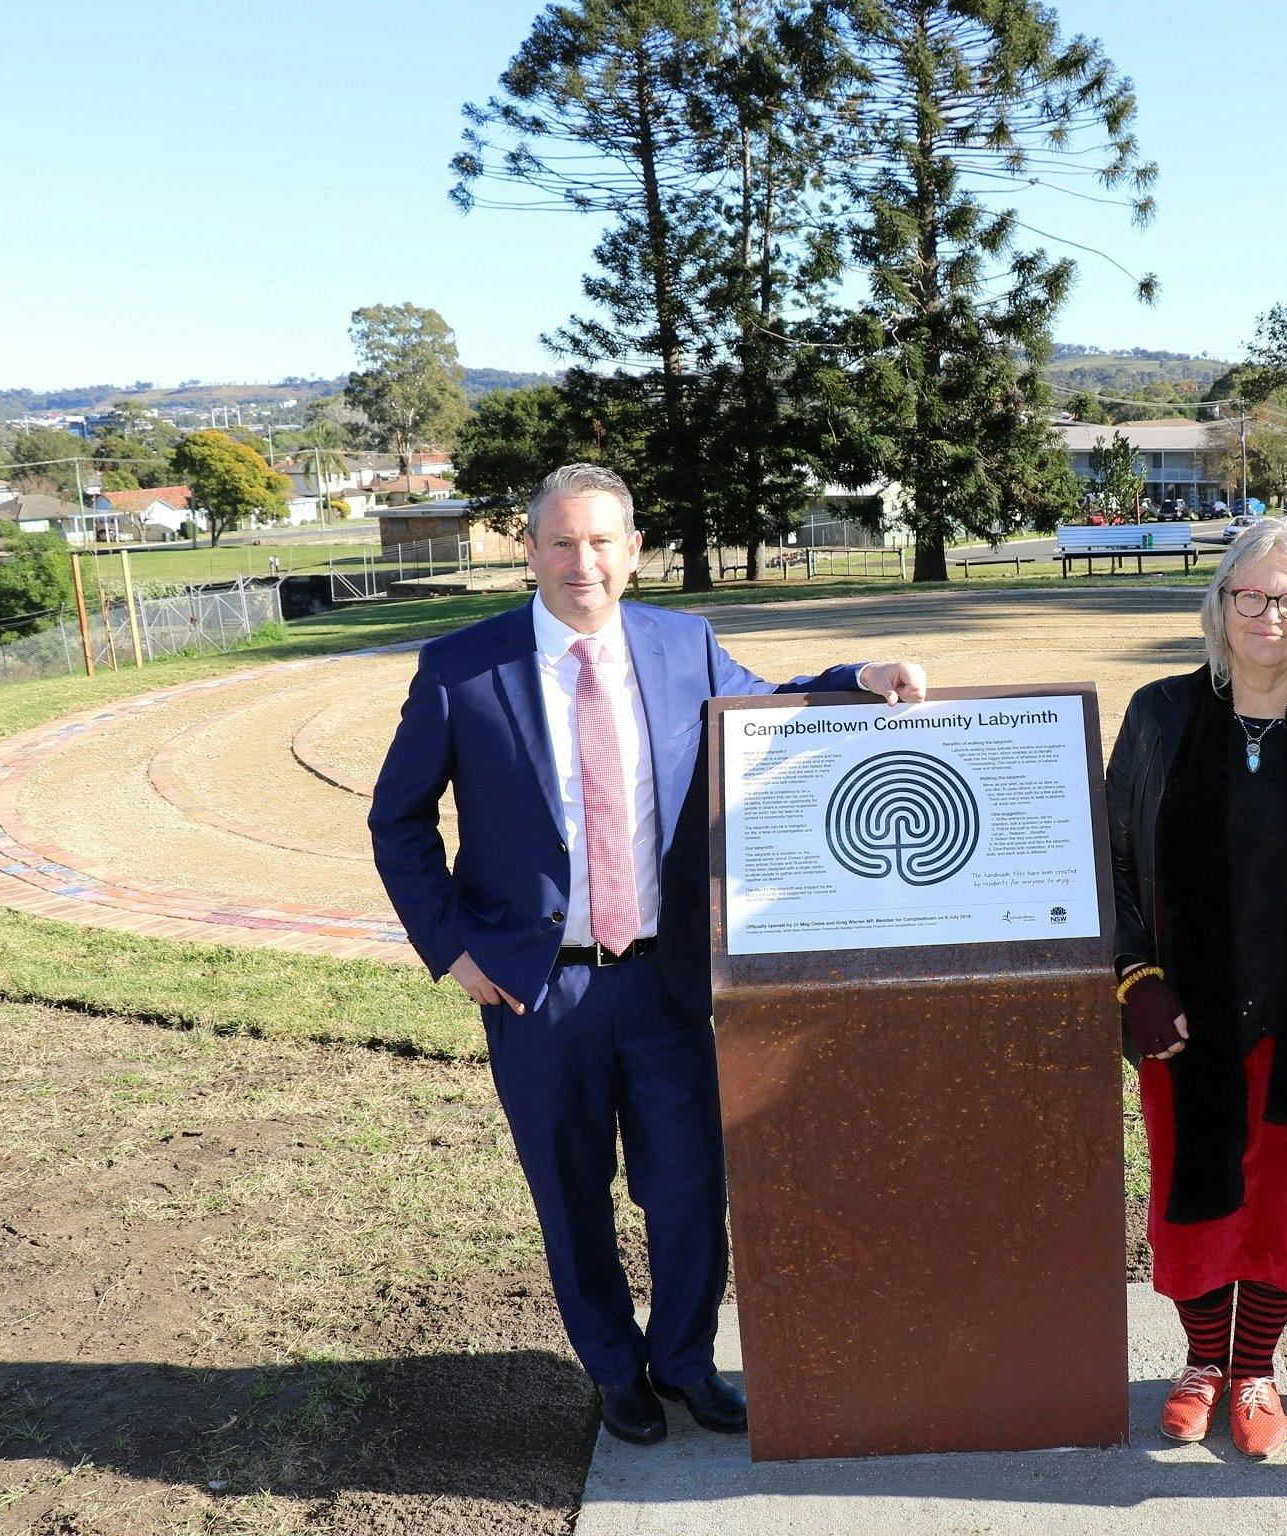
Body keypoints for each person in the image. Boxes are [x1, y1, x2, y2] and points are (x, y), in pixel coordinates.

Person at [368, 462, 925, 1446]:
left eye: (602, 542)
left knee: (686, 1191)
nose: (583, 562)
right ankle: (616, 1370)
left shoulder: (685, 645)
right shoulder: (462, 670)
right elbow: (397, 821)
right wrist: (453, 949)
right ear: (529, 550)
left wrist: (856, 680)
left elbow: (770, 710)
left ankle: (683, 1362)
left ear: (634, 551)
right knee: (570, 1192)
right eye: (562, 542)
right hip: (540, 992)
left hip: (667, 984)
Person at [1105, 518, 1287, 1461]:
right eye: (1250, 595)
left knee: (1286, 1207)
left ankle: (1255, 1367)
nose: (1268, 615)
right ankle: (1200, 1361)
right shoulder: (1159, 716)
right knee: (1198, 1199)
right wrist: (1135, 976)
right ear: (1221, 603)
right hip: (1189, 1020)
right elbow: (1112, 861)